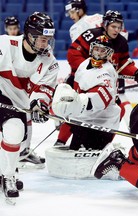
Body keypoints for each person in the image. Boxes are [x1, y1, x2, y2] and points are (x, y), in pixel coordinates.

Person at [54, 10, 138, 146]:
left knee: (118, 109)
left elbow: (124, 64)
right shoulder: (92, 35)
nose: (116, 30)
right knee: (75, 107)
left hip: (103, 81)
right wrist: (89, 71)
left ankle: (104, 144)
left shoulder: (121, 42)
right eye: (113, 26)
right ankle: (60, 141)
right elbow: (73, 53)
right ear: (106, 25)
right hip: (81, 80)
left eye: (119, 27)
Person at [0, 12, 58, 200]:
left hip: (16, 103)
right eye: (42, 39)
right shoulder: (5, 45)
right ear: (30, 35)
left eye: (48, 39)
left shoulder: (49, 61)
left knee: (15, 133)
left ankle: (7, 174)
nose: (45, 44)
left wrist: (39, 104)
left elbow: (45, 88)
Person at [52, 35, 121, 151]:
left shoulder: (107, 72)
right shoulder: (84, 64)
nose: (98, 53)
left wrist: (74, 106)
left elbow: (100, 99)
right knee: (75, 154)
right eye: (96, 49)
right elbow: (76, 89)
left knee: (92, 161)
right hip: (84, 120)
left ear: (108, 53)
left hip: (102, 124)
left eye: (102, 50)